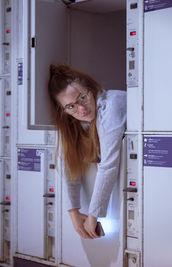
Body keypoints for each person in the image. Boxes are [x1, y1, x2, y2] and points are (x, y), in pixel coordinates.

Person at [48, 63, 126, 239]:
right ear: (64, 110)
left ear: (91, 90)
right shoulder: (76, 123)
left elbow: (108, 164)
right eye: (71, 107)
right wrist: (74, 213)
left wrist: (93, 215)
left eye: (82, 98)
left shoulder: (110, 105)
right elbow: (68, 165)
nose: (80, 109)